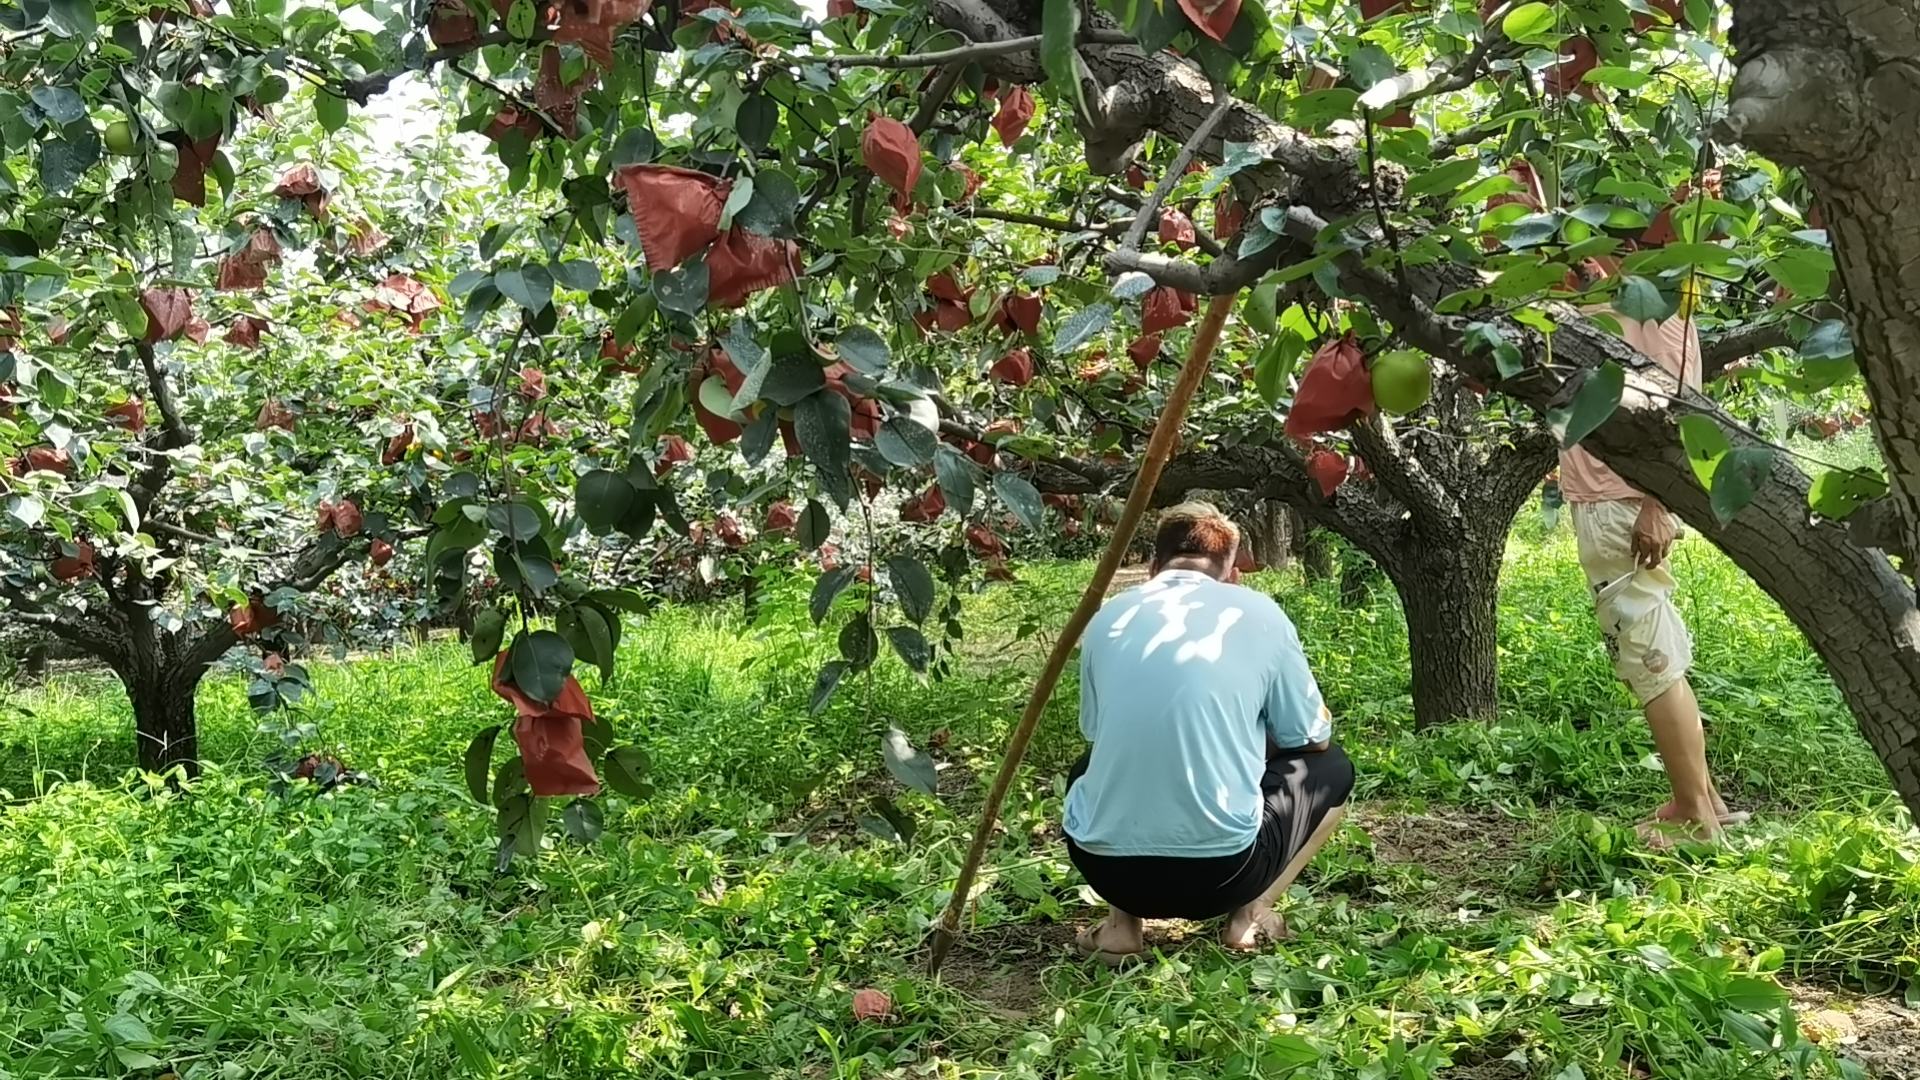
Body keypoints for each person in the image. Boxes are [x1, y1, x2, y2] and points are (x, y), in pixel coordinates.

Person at [1063, 502, 1354, 963]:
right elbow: (1310, 739)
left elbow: (1098, 732)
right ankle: (1250, 916)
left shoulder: (1107, 617)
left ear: (1152, 568)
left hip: (1109, 871)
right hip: (1225, 875)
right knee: (1333, 766)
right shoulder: (1258, 613)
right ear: (1232, 573)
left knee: (1088, 767)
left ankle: (1121, 928)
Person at [1562, 271, 1743, 846]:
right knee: (1660, 652)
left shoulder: (1658, 313)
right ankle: (1703, 798)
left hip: (1620, 503)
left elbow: (1681, 411)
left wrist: (1657, 502)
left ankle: (1696, 815)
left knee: (1649, 662)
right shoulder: (1604, 298)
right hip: (1615, 500)